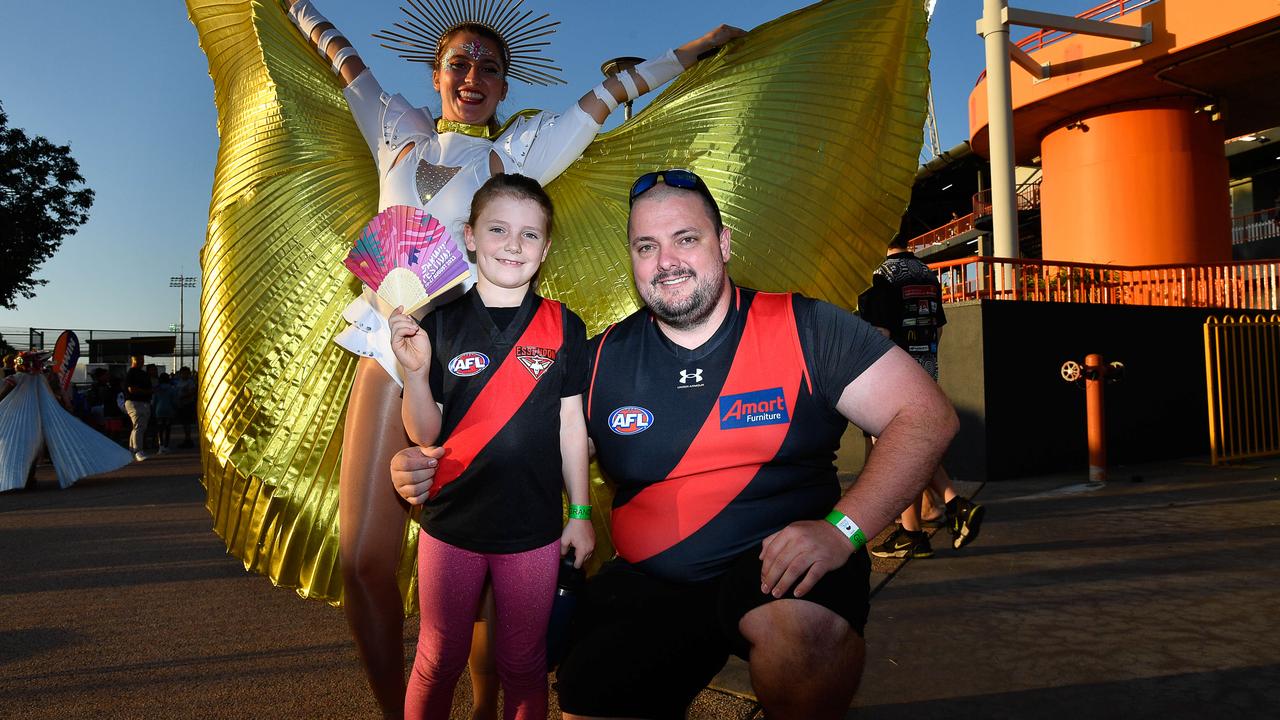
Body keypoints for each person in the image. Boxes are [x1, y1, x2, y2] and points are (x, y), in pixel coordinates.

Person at [281, 1, 742, 714]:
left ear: (503, 87)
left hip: (491, 370)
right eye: (459, 63)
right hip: (394, 349)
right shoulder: (392, 125)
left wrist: (700, 47)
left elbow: (608, 96)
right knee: (362, 563)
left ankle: (488, 705)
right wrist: (295, 7)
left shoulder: (524, 149)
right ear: (436, 75)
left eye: (489, 68)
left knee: (493, 580)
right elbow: (341, 55)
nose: (473, 75)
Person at [391, 169, 959, 719]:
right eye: (646, 246)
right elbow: (523, 445)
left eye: (685, 238)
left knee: (804, 644)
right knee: (585, 696)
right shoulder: (602, 355)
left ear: (724, 242)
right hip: (650, 582)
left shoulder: (804, 324)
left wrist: (845, 530)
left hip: (780, 569)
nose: (666, 262)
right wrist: (419, 461)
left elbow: (925, 416)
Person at [388, 173, 593, 719]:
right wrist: (414, 375)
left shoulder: (564, 326)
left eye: (530, 234)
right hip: (451, 523)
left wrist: (580, 512)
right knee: (437, 658)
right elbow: (424, 435)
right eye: (499, 229)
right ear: (471, 236)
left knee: (524, 663)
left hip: (534, 531)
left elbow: (572, 426)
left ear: (546, 249)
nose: (513, 244)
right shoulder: (439, 323)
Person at [858, 235, 984, 559]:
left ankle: (952, 506)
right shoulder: (927, 274)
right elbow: (938, 327)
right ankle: (915, 528)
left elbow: (880, 335)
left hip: (892, 379)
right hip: (925, 370)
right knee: (910, 449)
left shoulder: (879, 276)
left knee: (899, 452)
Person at [0, 352, 133, 492]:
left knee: (18, 449)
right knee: (31, 451)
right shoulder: (40, 379)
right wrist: (63, 409)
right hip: (35, 420)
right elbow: (51, 396)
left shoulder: (16, 378)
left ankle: (20, 480)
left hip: (17, 420)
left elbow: (4, 393)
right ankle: (28, 479)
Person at [123, 355, 153, 462]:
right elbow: (131, 389)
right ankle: (137, 451)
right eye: (139, 359)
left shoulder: (143, 374)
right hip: (134, 402)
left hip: (143, 402)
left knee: (138, 426)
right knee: (139, 426)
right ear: (133, 360)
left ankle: (132, 450)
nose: (142, 362)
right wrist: (147, 392)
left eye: (142, 360)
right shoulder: (131, 373)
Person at [152, 373, 176, 454]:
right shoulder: (172, 388)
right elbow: (174, 400)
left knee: (160, 429)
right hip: (169, 410)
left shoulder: (157, 389)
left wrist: (153, 409)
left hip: (159, 410)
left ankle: (160, 446)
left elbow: (154, 401)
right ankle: (166, 446)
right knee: (168, 428)